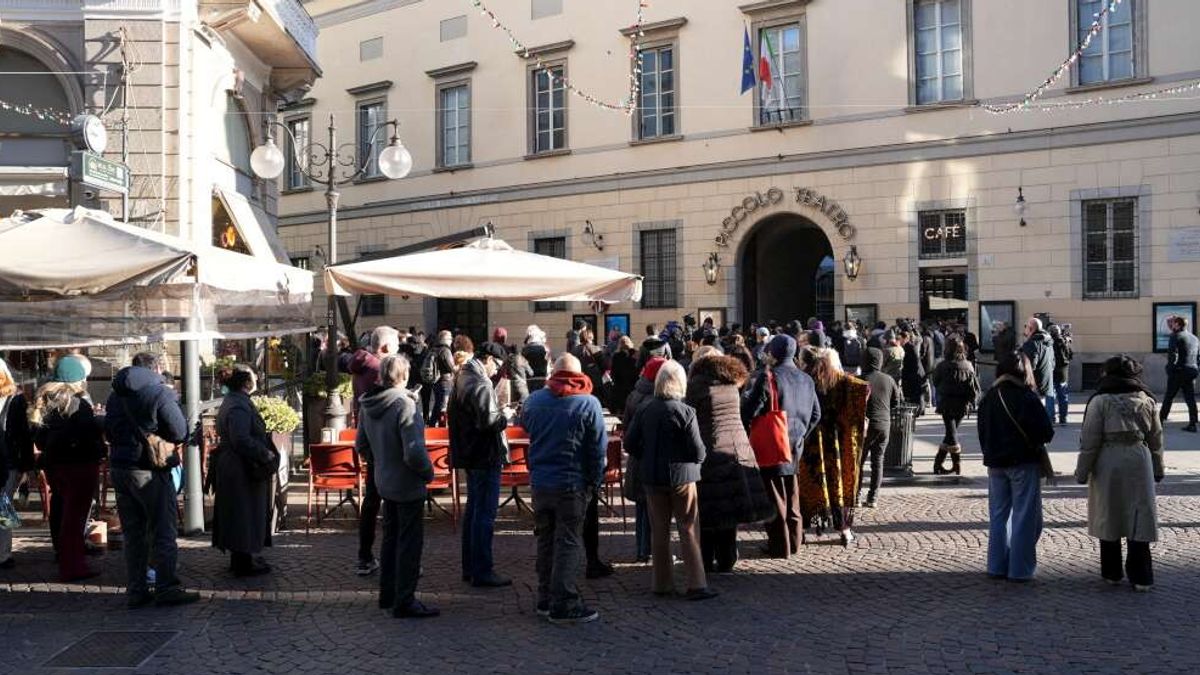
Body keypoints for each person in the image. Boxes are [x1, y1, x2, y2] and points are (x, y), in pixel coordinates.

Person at [521, 354, 607, 623]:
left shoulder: (534, 401)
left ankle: (545, 597)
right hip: (571, 483)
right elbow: (597, 449)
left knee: (546, 539)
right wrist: (595, 481)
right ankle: (564, 602)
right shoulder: (588, 404)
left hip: (541, 483)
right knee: (568, 542)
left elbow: (524, 427)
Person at [106, 353, 196, 607]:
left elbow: (109, 430)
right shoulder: (159, 393)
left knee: (133, 534)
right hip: (150, 470)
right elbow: (179, 431)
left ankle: (136, 589)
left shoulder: (115, 395)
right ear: (157, 368)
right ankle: (166, 587)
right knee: (163, 530)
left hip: (120, 468)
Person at [623, 361, 717, 600]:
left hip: (653, 477)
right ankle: (696, 583)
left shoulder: (645, 409)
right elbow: (698, 451)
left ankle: (661, 583)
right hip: (682, 476)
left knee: (659, 531)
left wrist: (647, 455)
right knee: (688, 528)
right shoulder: (685, 411)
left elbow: (630, 443)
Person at [1073, 355, 1163, 591]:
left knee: (1109, 514)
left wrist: (1082, 471)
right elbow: (1156, 439)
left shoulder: (1099, 402)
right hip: (1138, 458)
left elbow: (1090, 441)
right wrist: (1158, 467)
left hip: (1108, 460)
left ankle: (1111, 572)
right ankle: (1141, 576)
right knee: (1139, 515)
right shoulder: (1147, 400)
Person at [357, 355, 438, 618]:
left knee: (390, 539)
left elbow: (361, 445)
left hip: (384, 480)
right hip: (406, 482)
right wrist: (428, 473)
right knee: (409, 543)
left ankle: (388, 594)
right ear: (403, 376)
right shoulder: (404, 404)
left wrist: (380, 462)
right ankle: (404, 599)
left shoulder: (368, 404)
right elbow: (414, 452)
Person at [686, 353, 771, 574]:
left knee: (706, 509)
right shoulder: (732, 385)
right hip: (736, 447)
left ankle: (704, 559)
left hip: (709, 449)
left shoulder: (696, 386)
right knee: (730, 506)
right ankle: (727, 558)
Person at [977, 352, 1054, 581]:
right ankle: (1020, 569)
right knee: (1024, 516)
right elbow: (1046, 432)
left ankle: (996, 566)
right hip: (1023, 461)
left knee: (998, 516)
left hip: (996, 463)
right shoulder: (1026, 397)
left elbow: (982, 432)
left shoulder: (989, 397)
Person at [742, 335, 821, 558]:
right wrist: (802, 434)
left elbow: (750, 410)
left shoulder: (769, 377)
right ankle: (795, 542)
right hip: (796, 444)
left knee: (775, 499)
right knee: (793, 496)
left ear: (774, 354)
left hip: (773, 443)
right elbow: (816, 414)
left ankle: (780, 546)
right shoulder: (806, 378)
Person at [28, 356, 104, 582]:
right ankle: (73, 566)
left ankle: (68, 560)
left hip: (55, 466)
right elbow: (87, 433)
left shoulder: (46, 400)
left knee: (65, 516)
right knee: (75, 519)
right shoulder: (78, 402)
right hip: (80, 464)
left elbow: (39, 439)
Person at [449, 342, 513, 587]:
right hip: (484, 454)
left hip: (470, 453)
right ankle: (482, 570)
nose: (496, 370)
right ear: (487, 359)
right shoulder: (479, 381)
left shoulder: (464, 375)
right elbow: (488, 421)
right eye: (496, 364)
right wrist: (504, 418)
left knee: (474, 511)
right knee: (485, 513)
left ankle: (471, 567)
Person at [212, 365, 279, 578]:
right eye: (253, 379)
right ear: (247, 384)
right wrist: (264, 453)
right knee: (244, 512)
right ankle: (243, 560)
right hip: (241, 467)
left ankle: (243, 557)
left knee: (241, 512)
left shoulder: (233, 401)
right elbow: (240, 438)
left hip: (237, 465)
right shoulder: (238, 405)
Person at [797, 347, 870, 546]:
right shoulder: (844, 382)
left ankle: (801, 530)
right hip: (839, 443)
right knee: (840, 483)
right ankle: (844, 530)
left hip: (812, 440)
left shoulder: (806, 381)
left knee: (809, 484)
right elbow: (864, 388)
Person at [348, 326, 400, 577]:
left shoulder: (360, 366)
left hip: (368, 439)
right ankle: (397, 558)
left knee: (371, 502)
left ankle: (365, 556)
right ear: (386, 348)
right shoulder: (379, 370)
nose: (399, 351)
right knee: (393, 503)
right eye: (397, 346)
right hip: (386, 442)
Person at [622, 357, 665, 563]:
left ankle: (641, 548)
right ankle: (648, 549)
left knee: (641, 508)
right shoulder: (657, 398)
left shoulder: (633, 395)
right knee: (653, 508)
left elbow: (626, 430)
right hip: (652, 459)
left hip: (636, 460)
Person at [929, 337, 980, 476]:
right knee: (951, 433)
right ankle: (946, 465)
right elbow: (974, 387)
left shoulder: (942, 365)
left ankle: (946, 464)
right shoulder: (968, 365)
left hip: (947, 403)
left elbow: (936, 382)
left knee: (951, 434)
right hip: (962, 404)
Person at [0, 358, 33, 570]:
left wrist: (26, 465)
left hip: (7, 460)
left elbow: (23, 435)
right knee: (4, 506)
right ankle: (3, 553)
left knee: (4, 506)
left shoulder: (15, 399)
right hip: (8, 460)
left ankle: (4, 552)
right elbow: (24, 435)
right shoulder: (15, 398)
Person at [858, 347, 900, 508]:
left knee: (859, 462)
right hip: (883, 424)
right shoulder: (888, 379)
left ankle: (856, 495)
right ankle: (873, 497)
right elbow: (896, 402)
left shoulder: (860, 379)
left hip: (864, 425)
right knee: (878, 461)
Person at [1161, 316, 1199, 433]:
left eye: (1173, 323)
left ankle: (1160, 420)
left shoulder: (1175, 336)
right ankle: (1193, 423)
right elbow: (1198, 356)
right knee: (1190, 398)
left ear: (1177, 324)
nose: (1171, 325)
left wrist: (1170, 368)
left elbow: (1173, 354)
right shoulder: (1194, 338)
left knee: (1169, 396)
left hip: (1179, 371)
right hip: (1192, 370)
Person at [421, 330, 456, 426]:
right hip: (445, 381)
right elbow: (451, 367)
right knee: (442, 406)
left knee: (438, 403)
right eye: (450, 338)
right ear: (445, 339)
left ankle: (433, 424)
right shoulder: (445, 350)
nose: (451, 340)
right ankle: (436, 425)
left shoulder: (433, 348)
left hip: (435, 380)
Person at [608, 336, 639, 422]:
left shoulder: (616, 356)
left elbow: (613, 372)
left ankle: (622, 424)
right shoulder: (636, 354)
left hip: (619, 387)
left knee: (621, 409)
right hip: (632, 386)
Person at [1047, 325, 1074, 426]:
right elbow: (1070, 355)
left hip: (1050, 372)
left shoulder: (1048, 342)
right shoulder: (1065, 341)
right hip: (1062, 373)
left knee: (1050, 396)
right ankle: (1063, 418)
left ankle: (1051, 418)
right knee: (1063, 396)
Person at [523, 325, 552, 393]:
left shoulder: (525, 349)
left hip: (529, 379)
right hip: (543, 377)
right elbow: (548, 363)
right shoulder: (545, 348)